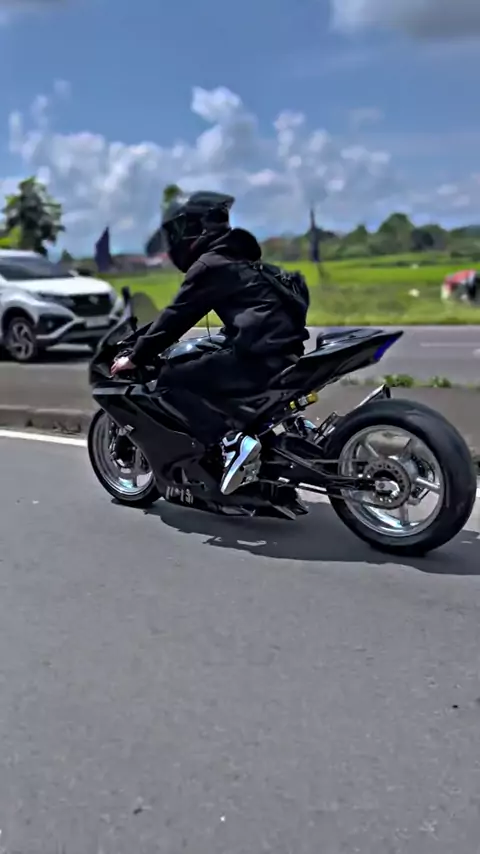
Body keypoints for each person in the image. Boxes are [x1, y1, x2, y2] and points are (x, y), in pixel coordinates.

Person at [111, 191, 309, 496]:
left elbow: (177, 317)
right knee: (211, 364)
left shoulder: (210, 265)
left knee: (172, 378)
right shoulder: (243, 260)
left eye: (178, 230)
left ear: (193, 228)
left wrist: (136, 356)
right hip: (285, 352)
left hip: (257, 358)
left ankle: (232, 441)